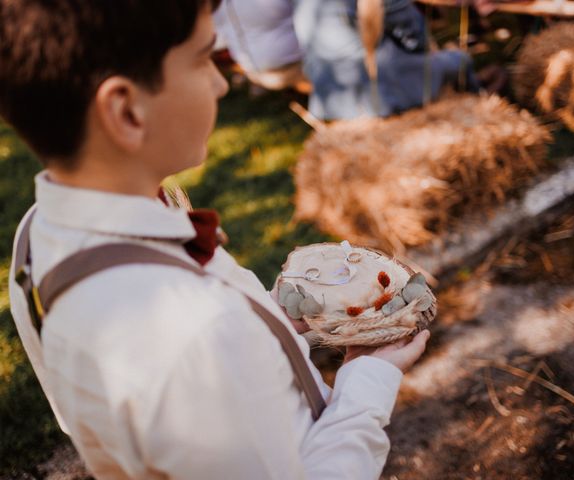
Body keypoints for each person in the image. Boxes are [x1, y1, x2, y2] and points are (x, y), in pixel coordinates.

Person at [2, 1, 430, 478]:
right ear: (125, 110)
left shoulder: (37, 235)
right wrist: (368, 380)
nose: (222, 83)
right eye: (203, 59)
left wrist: (275, 326)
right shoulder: (198, 329)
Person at [293, 0, 481, 119]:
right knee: (460, 60)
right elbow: (415, 37)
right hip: (379, 92)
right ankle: (476, 118)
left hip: (328, 96)